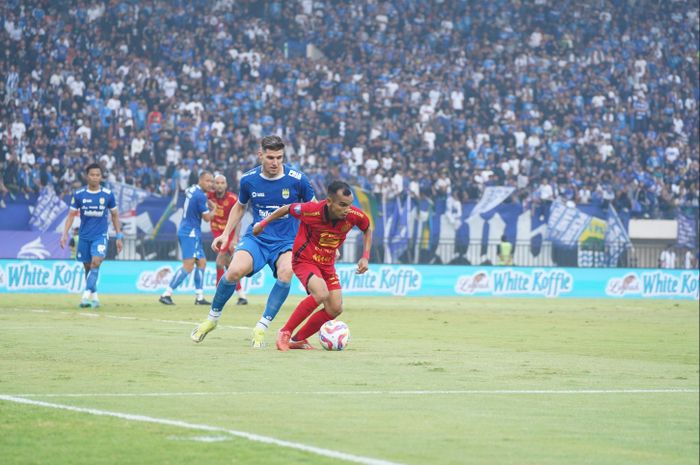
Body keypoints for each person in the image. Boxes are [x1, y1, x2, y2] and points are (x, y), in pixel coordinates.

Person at [190, 135, 315, 348]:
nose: (275, 162)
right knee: (233, 272)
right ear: (260, 155)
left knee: (287, 273)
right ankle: (212, 319)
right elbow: (239, 207)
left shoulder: (298, 179)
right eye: (270, 157)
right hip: (257, 239)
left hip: (286, 242)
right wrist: (225, 235)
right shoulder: (249, 179)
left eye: (279, 157)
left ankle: (261, 327)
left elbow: (315, 209)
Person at [252, 180, 372, 351]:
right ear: (329, 202)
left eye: (350, 205)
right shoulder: (311, 210)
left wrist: (365, 257)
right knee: (321, 292)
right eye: (343, 205)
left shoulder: (353, 215)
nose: (347, 209)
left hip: (327, 264)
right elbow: (287, 208)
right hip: (304, 260)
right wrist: (263, 224)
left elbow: (367, 228)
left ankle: (297, 339)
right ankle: (285, 332)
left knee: (335, 308)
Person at [60, 163, 124, 308]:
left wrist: (119, 237)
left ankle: (84, 297)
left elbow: (114, 216)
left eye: (98, 175)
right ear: (87, 176)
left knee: (96, 262)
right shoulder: (78, 194)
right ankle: (94, 297)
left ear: (101, 177)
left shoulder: (107, 194)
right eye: (92, 175)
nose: (95, 177)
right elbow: (70, 216)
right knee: (88, 267)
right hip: (84, 237)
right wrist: (64, 234)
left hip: (100, 235)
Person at [159, 170, 214, 305]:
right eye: (208, 181)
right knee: (188, 266)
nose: (210, 184)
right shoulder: (200, 195)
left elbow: (193, 196)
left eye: (211, 181)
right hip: (191, 233)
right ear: (200, 180)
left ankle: (199, 297)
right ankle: (166, 294)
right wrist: (215, 209)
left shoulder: (192, 190)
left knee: (201, 262)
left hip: (187, 230)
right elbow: (207, 218)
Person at [207, 174, 248, 304]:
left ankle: (218, 294)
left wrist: (234, 239)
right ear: (214, 184)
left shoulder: (232, 199)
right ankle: (242, 295)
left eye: (222, 183)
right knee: (229, 265)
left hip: (228, 233)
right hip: (217, 233)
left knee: (220, 262)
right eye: (217, 183)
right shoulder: (209, 196)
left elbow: (239, 221)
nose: (219, 185)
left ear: (226, 185)